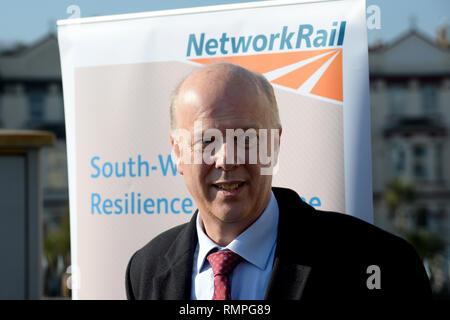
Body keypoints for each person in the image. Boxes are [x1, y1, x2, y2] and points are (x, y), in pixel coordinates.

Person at [125, 63, 431, 300]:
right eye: (207, 141)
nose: (227, 159)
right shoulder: (145, 270)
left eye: (247, 138)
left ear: (274, 144)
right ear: (178, 153)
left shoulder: (381, 262)